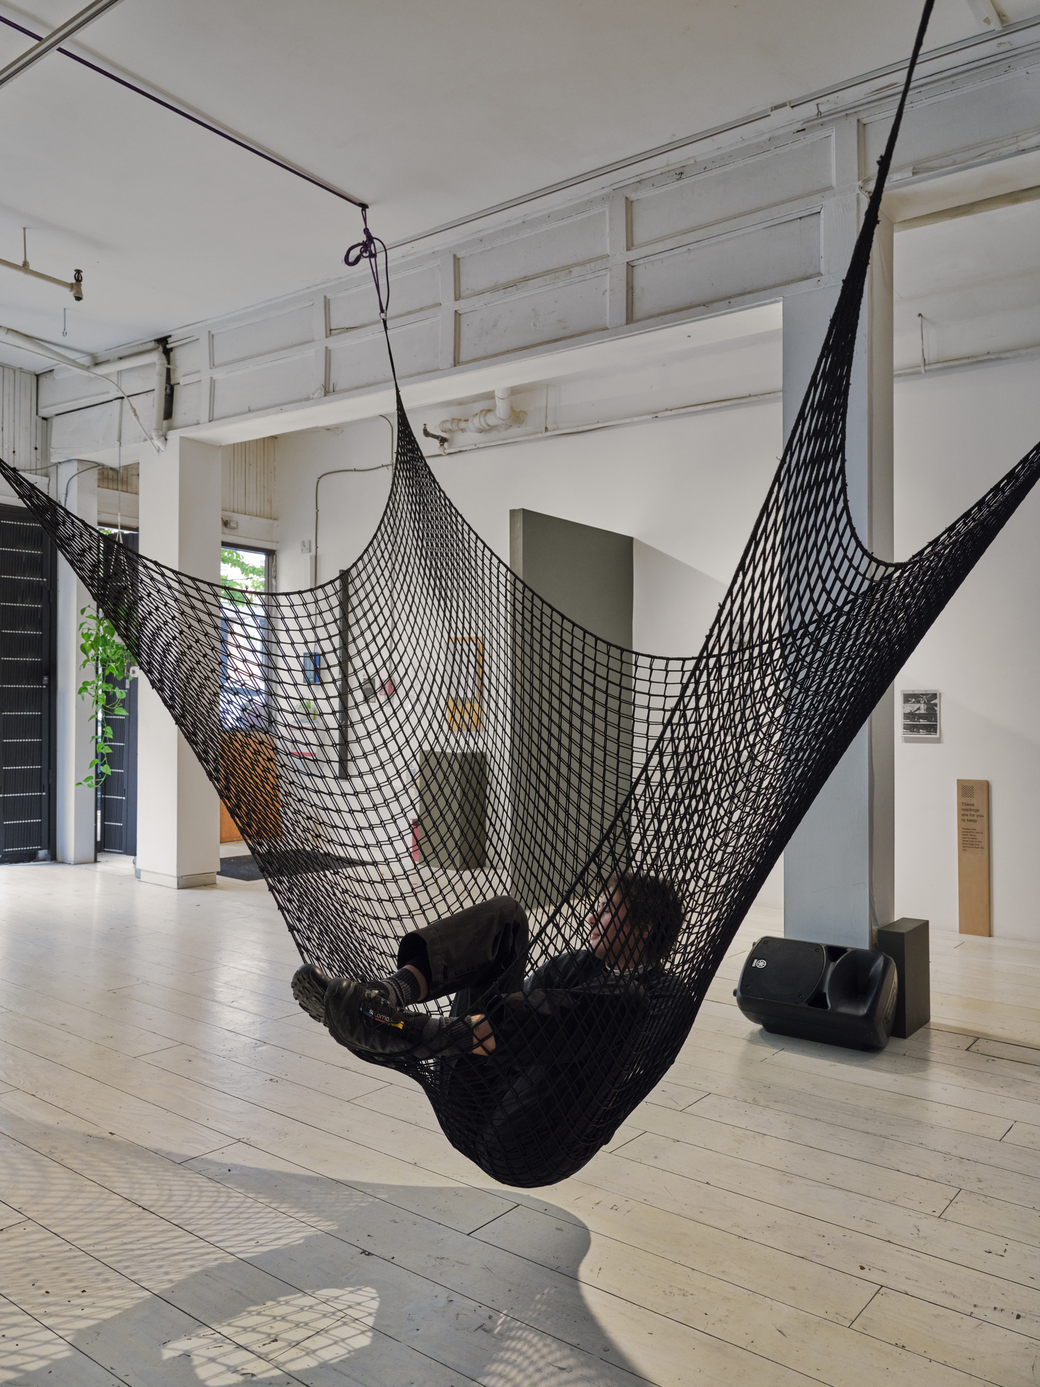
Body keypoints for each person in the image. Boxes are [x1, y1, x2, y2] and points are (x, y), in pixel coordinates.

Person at [292, 873, 686, 1186]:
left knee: (628, 1002)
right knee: (507, 916)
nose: (591, 919)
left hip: (538, 1141)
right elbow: (506, 1013)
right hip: (471, 1102)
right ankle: (387, 1000)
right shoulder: (573, 965)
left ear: (644, 927)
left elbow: (628, 1066)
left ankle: (405, 1030)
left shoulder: (663, 995)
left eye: (605, 911)